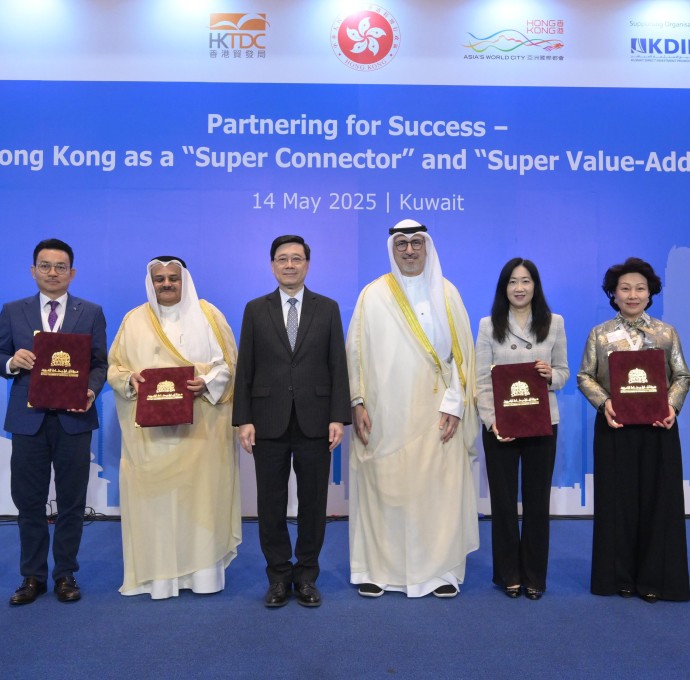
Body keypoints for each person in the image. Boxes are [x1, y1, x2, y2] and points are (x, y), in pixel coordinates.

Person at [347, 219, 479, 599]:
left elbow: (463, 357)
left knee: (436, 493)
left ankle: (438, 572)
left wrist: (455, 405)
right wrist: (356, 401)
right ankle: (377, 570)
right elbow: (354, 352)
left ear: (427, 247)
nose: (408, 250)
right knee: (385, 489)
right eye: (401, 244)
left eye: (416, 243)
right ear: (392, 248)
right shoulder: (372, 295)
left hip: (437, 413)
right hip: (384, 415)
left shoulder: (448, 293)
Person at [108, 256, 240, 599]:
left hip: (200, 434)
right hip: (151, 439)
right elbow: (115, 368)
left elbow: (228, 365)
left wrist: (207, 381)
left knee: (200, 503)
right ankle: (159, 580)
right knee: (157, 505)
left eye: (173, 278)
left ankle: (202, 576)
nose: (166, 284)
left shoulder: (209, 315)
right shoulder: (133, 320)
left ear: (185, 281)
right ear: (150, 283)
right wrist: (130, 380)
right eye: (159, 279)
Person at [232, 235, 351, 608]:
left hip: (316, 422)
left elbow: (337, 365)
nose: (289, 264)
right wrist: (243, 420)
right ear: (271, 265)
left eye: (296, 258)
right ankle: (279, 577)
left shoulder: (328, 308)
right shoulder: (255, 309)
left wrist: (338, 417)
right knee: (270, 504)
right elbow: (245, 367)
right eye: (282, 259)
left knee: (314, 504)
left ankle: (307, 576)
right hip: (268, 422)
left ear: (307, 265)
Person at [0, 238, 108, 605]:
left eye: (60, 267)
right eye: (45, 265)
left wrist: (89, 391)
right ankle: (32, 576)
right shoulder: (13, 310)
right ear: (33, 270)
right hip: (28, 420)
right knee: (29, 502)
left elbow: (100, 363)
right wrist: (12, 363)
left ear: (71, 272)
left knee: (72, 502)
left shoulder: (90, 311)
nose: (52, 272)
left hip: (75, 419)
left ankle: (65, 574)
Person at [576, 257, 690, 603]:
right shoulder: (599, 334)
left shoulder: (666, 332)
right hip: (615, 426)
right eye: (624, 288)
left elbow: (683, 376)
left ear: (650, 292)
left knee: (659, 503)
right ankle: (618, 578)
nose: (632, 294)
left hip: (659, 427)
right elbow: (585, 376)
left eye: (640, 288)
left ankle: (656, 579)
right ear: (613, 294)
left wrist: (671, 405)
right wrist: (603, 402)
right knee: (617, 503)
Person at [475, 258, 568, 600]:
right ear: (504, 287)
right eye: (513, 281)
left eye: (526, 281)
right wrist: (491, 421)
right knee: (502, 502)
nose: (519, 287)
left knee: (536, 501)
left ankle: (534, 577)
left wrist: (550, 375)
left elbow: (563, 373)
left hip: (542, 423)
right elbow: (482, 379)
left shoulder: (554, 322)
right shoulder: (488, 325)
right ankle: (508, 575)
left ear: (535, 286)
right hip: (501, 425)